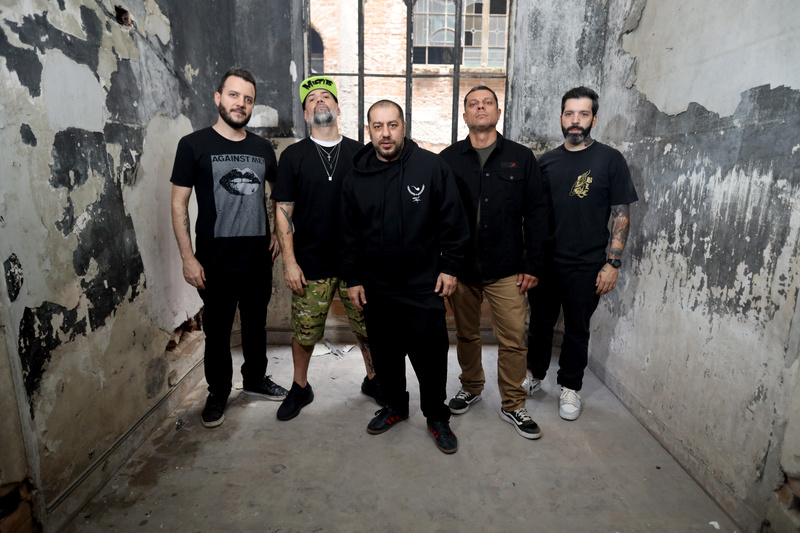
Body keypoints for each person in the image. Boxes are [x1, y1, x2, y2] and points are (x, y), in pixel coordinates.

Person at [340, 100, 469, 454]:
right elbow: (348, 233)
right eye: (378, 126)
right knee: (386, 355)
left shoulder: (431, 167)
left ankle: (437, 416)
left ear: (404, 126)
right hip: (376, 286)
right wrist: (353, 278)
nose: (386, 134)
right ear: (368, 130)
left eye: (392, 125)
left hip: (423, 284)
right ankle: (396, 406)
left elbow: (454, 222)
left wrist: (450, 267)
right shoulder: (356, 176)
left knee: (431, 357)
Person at [170, 67, 288, 429]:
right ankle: (218, 393)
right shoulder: (193, 145)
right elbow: (178, 204)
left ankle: (255, 380)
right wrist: (187, 258)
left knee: (256, 325)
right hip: (214, 261)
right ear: (218, 98)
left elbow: (279, 195)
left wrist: (276, 232)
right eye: (234, 95)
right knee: (218, 332)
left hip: (257, 259)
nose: (241, 104)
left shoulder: (262, 148)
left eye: (248, 99)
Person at [439, 86, 549, 440]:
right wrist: (443, 264)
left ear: (498, 112)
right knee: (466, 334)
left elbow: (537, 213)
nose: (480, 108)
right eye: (473, 104)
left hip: (507, 268)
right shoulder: (448, 159)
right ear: (465, 115)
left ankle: (513, 403)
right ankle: (471, 386)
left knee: (513, 338)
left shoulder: (521, 157)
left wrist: (533, 265)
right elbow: (438, 215)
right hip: (462, 267)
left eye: (487, 103)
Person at [271, 76, 382, 421]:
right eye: (312, 99)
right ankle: (300, 386)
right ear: (306, 115)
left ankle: (374, 380)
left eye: (325, 96)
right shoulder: (293, 156)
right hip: (311, 262)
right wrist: (289, 262)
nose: (319, 101)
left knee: (368, 327)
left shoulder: (362, 153)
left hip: (357, 264)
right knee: (305, 331)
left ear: (337, 108)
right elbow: (283, 209)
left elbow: (375, 207)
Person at [526, 86, 638, 421]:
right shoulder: (546, 162)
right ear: (561, 118)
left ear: (594, 119)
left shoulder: (610, 160)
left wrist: (612, 263)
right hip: (546, 264)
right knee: (539, 325)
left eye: (583, 114)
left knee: (577, 329)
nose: (576, 121)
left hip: (587, 265)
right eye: (570, 114)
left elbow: (621, 215)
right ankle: (534, 374)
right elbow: (533, 215)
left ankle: (570, 387)